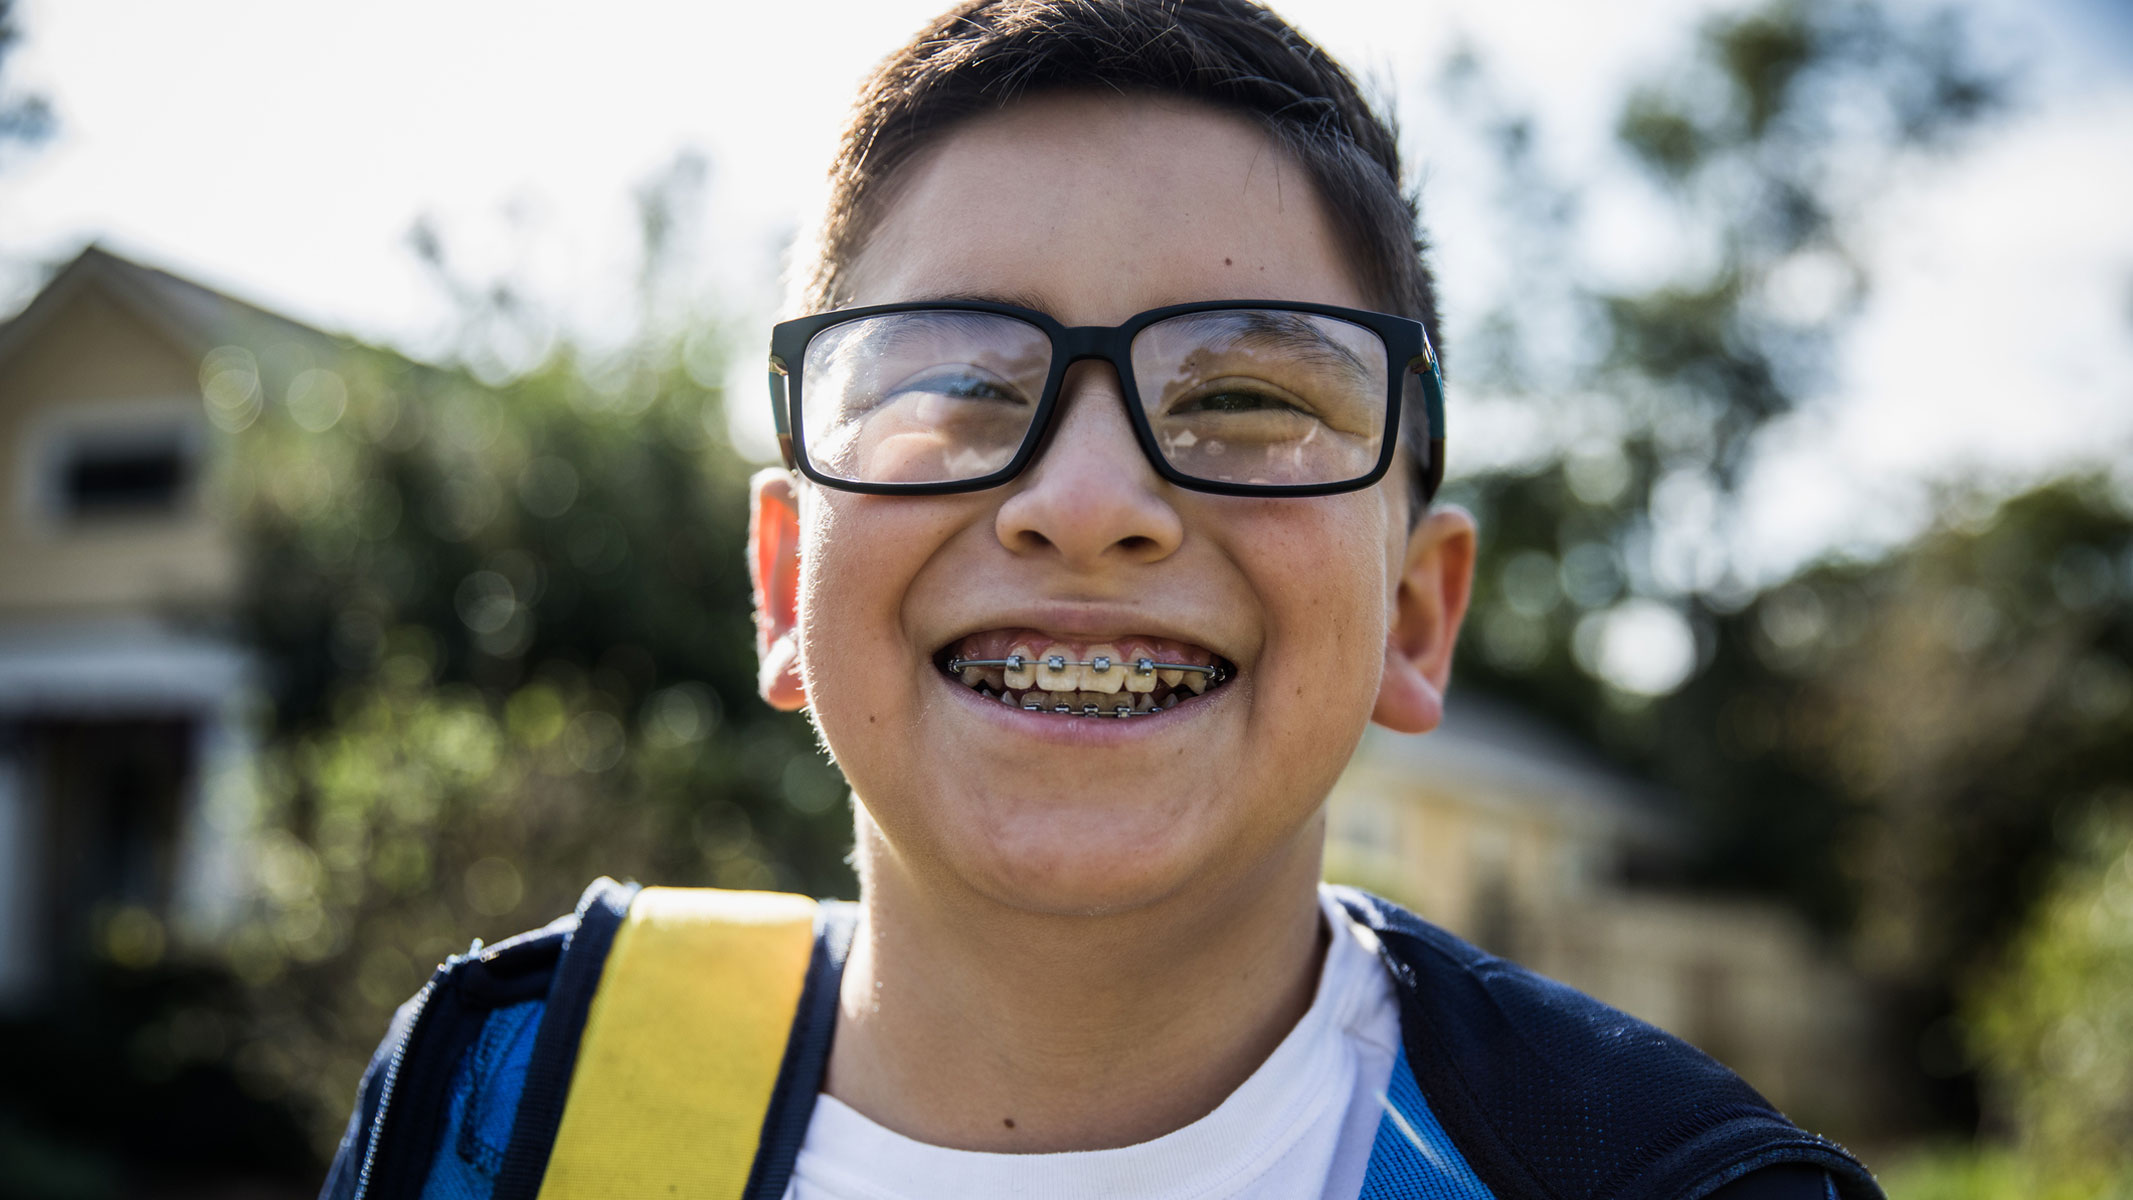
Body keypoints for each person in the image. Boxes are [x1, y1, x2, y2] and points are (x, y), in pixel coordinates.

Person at [321, 2, 1881, 1198]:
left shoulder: (1661, 1181)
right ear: (787, 583)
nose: (1084, 504)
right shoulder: (505, 1101)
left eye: (1249, 396)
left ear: (1415, 618)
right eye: (953, 379)